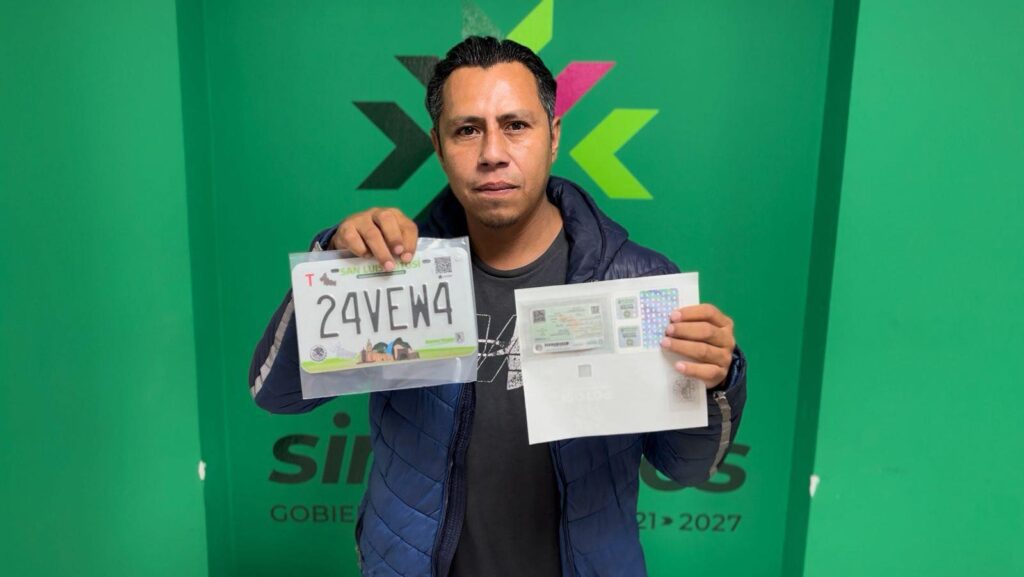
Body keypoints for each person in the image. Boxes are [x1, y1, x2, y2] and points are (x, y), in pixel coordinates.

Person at [250, 36, 747, 577]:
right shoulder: (392, 271)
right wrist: (333, 266)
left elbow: (687, 466)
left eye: (516, 125)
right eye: (467, 130)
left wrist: (716, 379)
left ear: (553, 136)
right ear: (438, 147)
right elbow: (276, 394)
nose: (492, 152)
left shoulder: (635, 281)